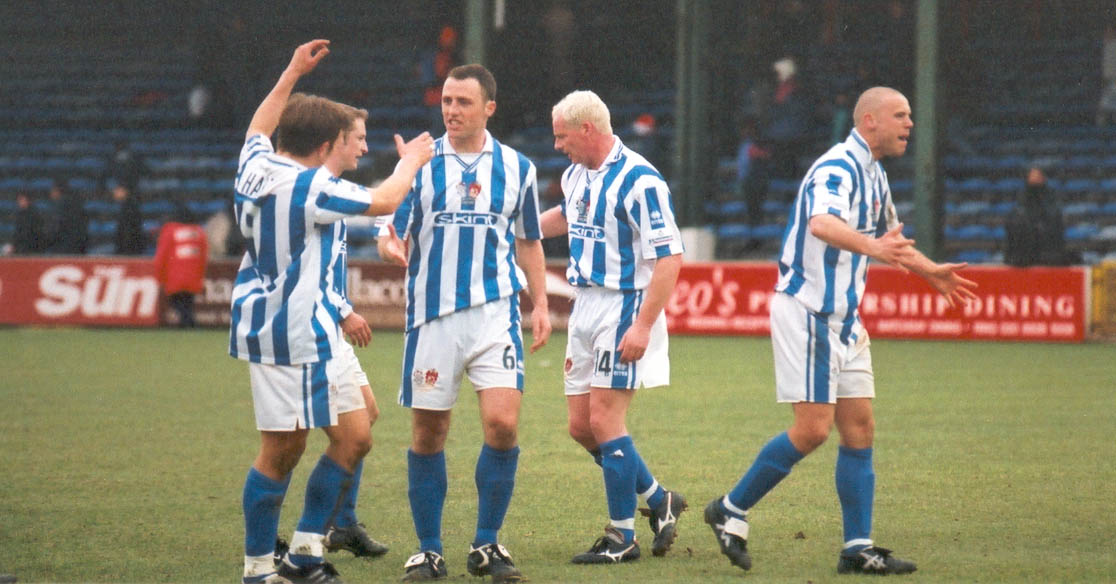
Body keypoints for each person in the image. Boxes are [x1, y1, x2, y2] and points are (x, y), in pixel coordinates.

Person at [703, 87, 978, 575]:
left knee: (860, 427)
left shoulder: (874, 174)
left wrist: (931, 270)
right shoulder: (838, 167)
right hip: (809, 311)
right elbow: (822, 224)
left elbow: (892, 242)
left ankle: (857, 548)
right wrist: (874, 249)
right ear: (869, 121)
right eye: (900, 115)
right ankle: (730, 508)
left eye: (910, 116)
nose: (909, 124)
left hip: (845, 319)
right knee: (812, 430)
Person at [230, 39, 433, 584]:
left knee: (357, 432)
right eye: (353, 140)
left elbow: (258, 123)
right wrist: (412, 160)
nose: (360, 147)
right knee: (283, 449)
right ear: (325, 145)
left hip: (307, 326)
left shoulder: (255, 163)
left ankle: (303, 555)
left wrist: (291, 71)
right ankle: (258, 570)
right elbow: (386, 200)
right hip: (289, 331)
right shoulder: (307, 185)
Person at [376, 64, 551, 583]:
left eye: (463, 102)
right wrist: (390, 247)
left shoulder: (518, 168)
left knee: (503, 424)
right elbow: (392, 228)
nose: (452, 110)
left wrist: (539, 303)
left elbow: (529, 241)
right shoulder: (420, 165)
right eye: (447, 101)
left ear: (489, 108)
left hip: (496, 313)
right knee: (431, 432)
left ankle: (487, 544)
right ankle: (429, 550)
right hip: (432, 318)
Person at [538, 90, 687, 565]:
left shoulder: (642, 181)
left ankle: (622, 536)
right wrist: (516, 227)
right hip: (584, 306)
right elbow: (568, 215)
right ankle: (658, 498)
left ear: (587, 129)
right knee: (582, 427)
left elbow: (670, 257)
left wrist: (643, 326)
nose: (558, 145)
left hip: (624, 305)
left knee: (605, 420)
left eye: (563, 136)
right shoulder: (576, 173)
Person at [1004, 166, 1073, 267]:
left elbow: (1056, 225)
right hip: (1024, 253)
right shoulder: (1021, 203)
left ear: (1043, 178)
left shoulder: (1051, 201)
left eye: (1037, 176)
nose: (1035, 179)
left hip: (1048, 252)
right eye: (1032, 176)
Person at [152, 204, 208, 327]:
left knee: (178, 304)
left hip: (175, 277)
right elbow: (204, 257)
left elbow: (161, 256)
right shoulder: (199, 231)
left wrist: (159, 277)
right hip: (193, 277)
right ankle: (189, 324)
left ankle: (189, 324)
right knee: (187, 304)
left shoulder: (170, 230)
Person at [112, 183, 147, 255]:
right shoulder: (125, 206)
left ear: (125, 191)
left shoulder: (129, 207)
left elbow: (128, 231)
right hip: (128, 247)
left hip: (130, 248)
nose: (114, 192)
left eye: (118, 190)